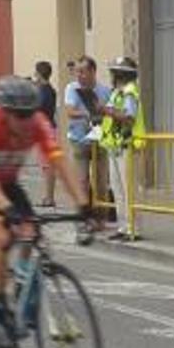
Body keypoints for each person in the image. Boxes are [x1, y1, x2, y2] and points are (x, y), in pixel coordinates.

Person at [0, 76, 91, 348]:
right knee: (3, 237)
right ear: (2, 111)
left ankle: (17, 284)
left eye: (28, 114)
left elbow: (59, 162)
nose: (24, 120)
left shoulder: (38, 123)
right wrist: (7, 211)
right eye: (17, 115)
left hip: (8, 183)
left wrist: (83, 203)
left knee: (33, 233)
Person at [99, 56, 146, 241]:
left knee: (129, 189)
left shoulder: (129, 92)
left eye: (114, 71)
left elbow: (129, 118)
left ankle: (134, 228)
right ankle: (123, 226)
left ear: (121, 74)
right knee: (118, 189)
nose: (112, 74)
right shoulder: (117, 92)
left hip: (128, 146)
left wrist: (107, 111)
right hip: (116, 146)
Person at [63, 56, 112, 224]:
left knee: (101, 182)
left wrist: (104, 115)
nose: (79, 75)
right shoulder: (72, 88)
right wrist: (89, 114)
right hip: (79, 141)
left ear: (93, 71)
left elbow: (111, 113)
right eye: (77, 71)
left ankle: (101, 219)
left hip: (100, 141)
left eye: (82, 71)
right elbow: (70, 111)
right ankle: (82, 218)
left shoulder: (105, 91)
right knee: (81, 182)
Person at [34, 61, 60, 207]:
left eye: (36, 73)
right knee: (46, 165)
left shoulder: (44, 91)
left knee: (48, 165)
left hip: (45, 130)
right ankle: (48, 196)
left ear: (39, 74)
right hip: (46, 129)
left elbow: (39, 109)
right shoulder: (48, 90)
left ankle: (49, 197)